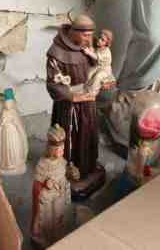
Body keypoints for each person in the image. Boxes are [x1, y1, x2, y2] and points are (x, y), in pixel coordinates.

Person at [45, 13, 105, 197]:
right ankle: (70, 171)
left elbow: (96, 67)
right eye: (86, 35)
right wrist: (72, 96)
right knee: (71, 137)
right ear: (75, 32)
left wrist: (102, 80)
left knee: (89, 134)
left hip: (88, 100)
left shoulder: (86, 47)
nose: (89, 39)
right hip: (68, 105)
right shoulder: (56, 52)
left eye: (90, 35)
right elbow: (53, 83)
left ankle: (88, 167)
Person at [31, 124, 74, 248]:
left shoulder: (62, 161)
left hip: (59, 194)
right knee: (47, 219)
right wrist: (45, 184)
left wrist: (71, 173)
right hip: (47, 199)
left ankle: (57, 234)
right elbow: (37, 185)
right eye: (58, 150)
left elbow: (65, 174)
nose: (61, 152)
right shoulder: (42, 164)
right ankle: (44, 237)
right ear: (50, 149)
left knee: (58, 216)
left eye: (62, 149)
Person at [84, 29, 115, 94]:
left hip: (104, 70)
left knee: (98, 77)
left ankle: (92, 93)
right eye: (99, 37)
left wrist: (89, 52)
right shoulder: (100, 47)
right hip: (98, 66)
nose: (99, 40)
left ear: (107, 43)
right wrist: (91, 49)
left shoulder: (107, 52)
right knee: (89, 74)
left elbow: (97, 57)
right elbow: (95, 52)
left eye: (102, 40)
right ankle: (85, 88)